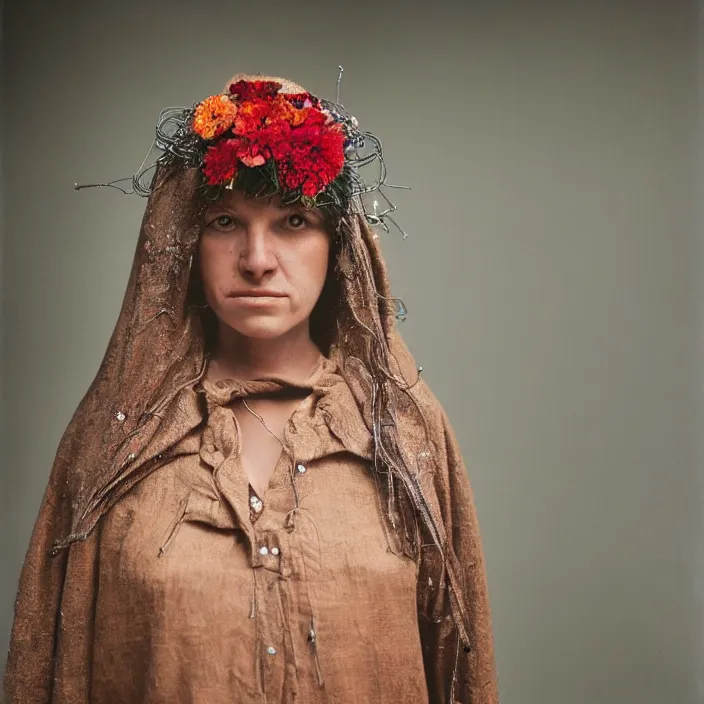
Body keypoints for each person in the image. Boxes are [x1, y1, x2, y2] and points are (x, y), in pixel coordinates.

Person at [4, 72, 499, 703]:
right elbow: (48, 671)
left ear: (338, 245)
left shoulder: (404, 434)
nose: (258, 259)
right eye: (224, 221)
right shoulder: (113, 443)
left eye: (294, 220)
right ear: (186, 242)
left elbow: (464, 669)